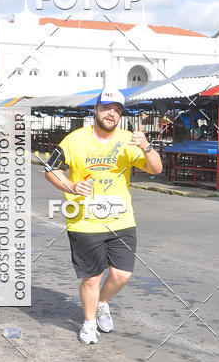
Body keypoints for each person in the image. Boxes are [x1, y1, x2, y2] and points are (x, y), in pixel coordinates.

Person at [44, 90, 162, 344]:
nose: (111, 113)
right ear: (95, 110)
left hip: (121, 220)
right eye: (106, 107)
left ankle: (102, 303)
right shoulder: (74, 140)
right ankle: (88, 324)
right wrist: (72, 187)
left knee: (122, 275)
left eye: (117, 109)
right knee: (92, 278)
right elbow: (50, 169)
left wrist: (147, 147)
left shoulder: (129, 140)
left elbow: (156, 169)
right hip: (84, 221)